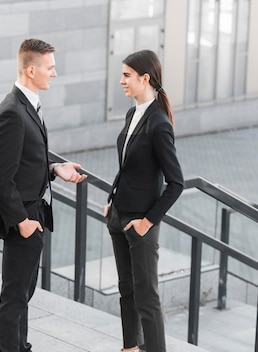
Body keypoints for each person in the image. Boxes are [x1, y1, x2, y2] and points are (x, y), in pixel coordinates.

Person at [0, 38, 87, 352]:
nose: (54, 74)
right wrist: (22, 222)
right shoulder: (12, 113)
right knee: (15, 296)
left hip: (34, 213)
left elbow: (25, 161)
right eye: (50, 68)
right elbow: (0, 177)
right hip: (24, 219)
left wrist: (54, 168)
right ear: (31, 70)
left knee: (24, 292)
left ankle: (22, 347)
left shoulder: (27, 105)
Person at [104, 49, 184, 352]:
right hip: (118, 216)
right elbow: (127, 163)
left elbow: (176, 183)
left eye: (126, 75)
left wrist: (147, 222)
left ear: (144, 78)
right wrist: (112, 198)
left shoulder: (159, 124)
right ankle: (129, 348)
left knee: (146, 297)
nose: (121, 81)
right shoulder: (132, 113)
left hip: (140, 224)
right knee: (126, 291)